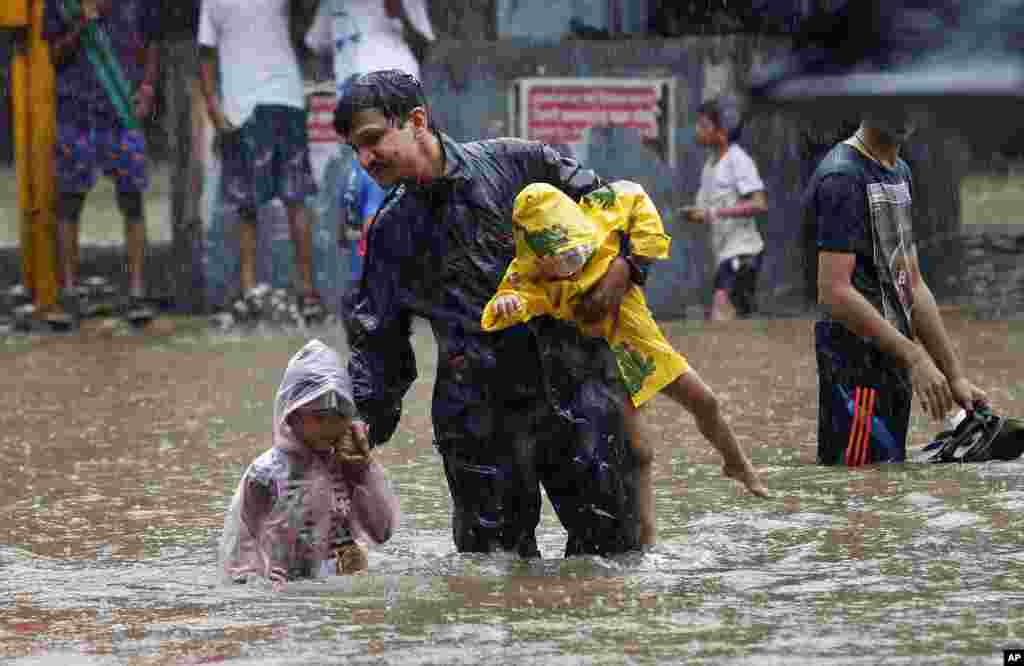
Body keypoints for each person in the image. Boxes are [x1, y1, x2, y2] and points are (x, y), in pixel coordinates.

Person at [335, 70, 656, 557]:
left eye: (372, 139)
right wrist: (358, 425)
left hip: (577, 391)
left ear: (417, 120)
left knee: (613, 560)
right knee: (492, 578)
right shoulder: (391, 231)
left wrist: (625, 269)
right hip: (479, 423)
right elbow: (378, 346)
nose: (364, 158)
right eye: (353, 149)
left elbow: (621, 210)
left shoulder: (521, 163)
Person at [481, 181, 769, 545]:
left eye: (580, 251)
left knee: (706, 400)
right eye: (563, 259)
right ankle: (648, 537)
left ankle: (736, 462)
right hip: (605, 363)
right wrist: (506, 305)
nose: (576, 262)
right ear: (536, 256)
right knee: (639, 452)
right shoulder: (529, 278)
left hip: (642, 345)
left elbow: (635, 195)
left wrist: (631, 263)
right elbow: (502, 305)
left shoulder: (601, 213)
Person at [805, 113, 988, 466]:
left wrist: (954, 376)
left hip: (894, 358)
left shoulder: (899, 172)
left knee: (886, 475)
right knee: (858, 487)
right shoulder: (843, 177)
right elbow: (834, 292)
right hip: (854, 364)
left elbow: (912, 284)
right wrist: (915, 356)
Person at [219, 339, 399, 585]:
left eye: (340, 416)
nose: (331, 426)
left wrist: (362, 470)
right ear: (292, 415)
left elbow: (382, 531)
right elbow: (244, 541)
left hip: (345, 584)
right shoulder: (266, 473)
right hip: (290, 590)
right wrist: (252, 582)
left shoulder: (348, 465)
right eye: (320, 417)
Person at [198, 0, 324, 326]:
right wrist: (214, 108)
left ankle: (252, 290)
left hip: (249, 106)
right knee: (292, 201)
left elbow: (205, 57)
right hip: (282, 101)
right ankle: (306, 293)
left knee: (249, 205)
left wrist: (214, 107)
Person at [43, 0, 161, 325]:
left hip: (122, 108)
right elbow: (53, 56)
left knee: (132, 199)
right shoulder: (61, 3)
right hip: (75, 110)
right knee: (69, 201)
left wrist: (148, 88)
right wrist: (83, 21)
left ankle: (137, 293)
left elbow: (152, 41)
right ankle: (69, 294)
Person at [304, 0, 434, 285]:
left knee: (393, 190)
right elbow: (316, 45)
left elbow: (424, 45)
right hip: (353, 95)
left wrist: (400, 15)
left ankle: (385, 284)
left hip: (394, 93)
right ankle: (374, 283)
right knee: (367, 190)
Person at [682, 97, 769, 321]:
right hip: (723, 255)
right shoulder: (710, 165)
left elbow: (759, 203)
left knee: (722, 311)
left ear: (722, 131)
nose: (698, 131)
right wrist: (695, 213)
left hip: (743, 253)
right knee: (738, 317)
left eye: (704, 126)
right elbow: (707, 209)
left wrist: (715, 213)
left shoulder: (738, 160)